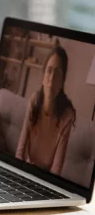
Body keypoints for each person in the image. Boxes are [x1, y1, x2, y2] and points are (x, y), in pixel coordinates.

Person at [16, 46, 76, 175]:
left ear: (62, 81)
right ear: (43, 77)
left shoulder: (67, 115)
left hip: (47, 177)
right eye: (49, 71)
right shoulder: (34, 101)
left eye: (58, 72)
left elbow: (56, 169)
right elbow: (20, 151)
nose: (52, 77)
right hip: (27, 168)